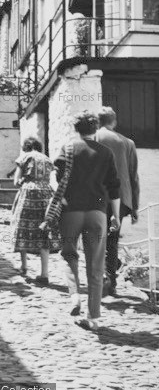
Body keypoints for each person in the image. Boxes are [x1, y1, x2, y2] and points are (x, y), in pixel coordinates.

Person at [45, 111, 120, 331]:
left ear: (76, 128)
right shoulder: (106, 153)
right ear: (95, 128)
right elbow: (114, 186)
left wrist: (61, 196)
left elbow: (55, 177)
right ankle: (93, 317)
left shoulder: (68, 149)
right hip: (98, 212)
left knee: (69, 254)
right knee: (96, 265)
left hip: (71, 212)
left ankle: (75, 294)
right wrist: (115, 215)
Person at [97, 106, 140, 296]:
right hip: (121, 199)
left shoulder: (93, 139)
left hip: (96, 196)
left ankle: (99, 279)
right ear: (114, 122)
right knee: (113, 240)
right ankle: (111, 280)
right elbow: (133, 177)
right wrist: (135, 206)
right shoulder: (127, 142)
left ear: (98, 122)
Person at [11, 137, 60, 283]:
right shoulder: (47, 159)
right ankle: (44, 273)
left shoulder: (24, 157)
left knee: (23, 228)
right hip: (45, 194)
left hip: (28, 193)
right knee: (43, 231)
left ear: (26, 147)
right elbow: (53, 180)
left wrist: (22, 181)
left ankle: (24, 265)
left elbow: (15, 181)